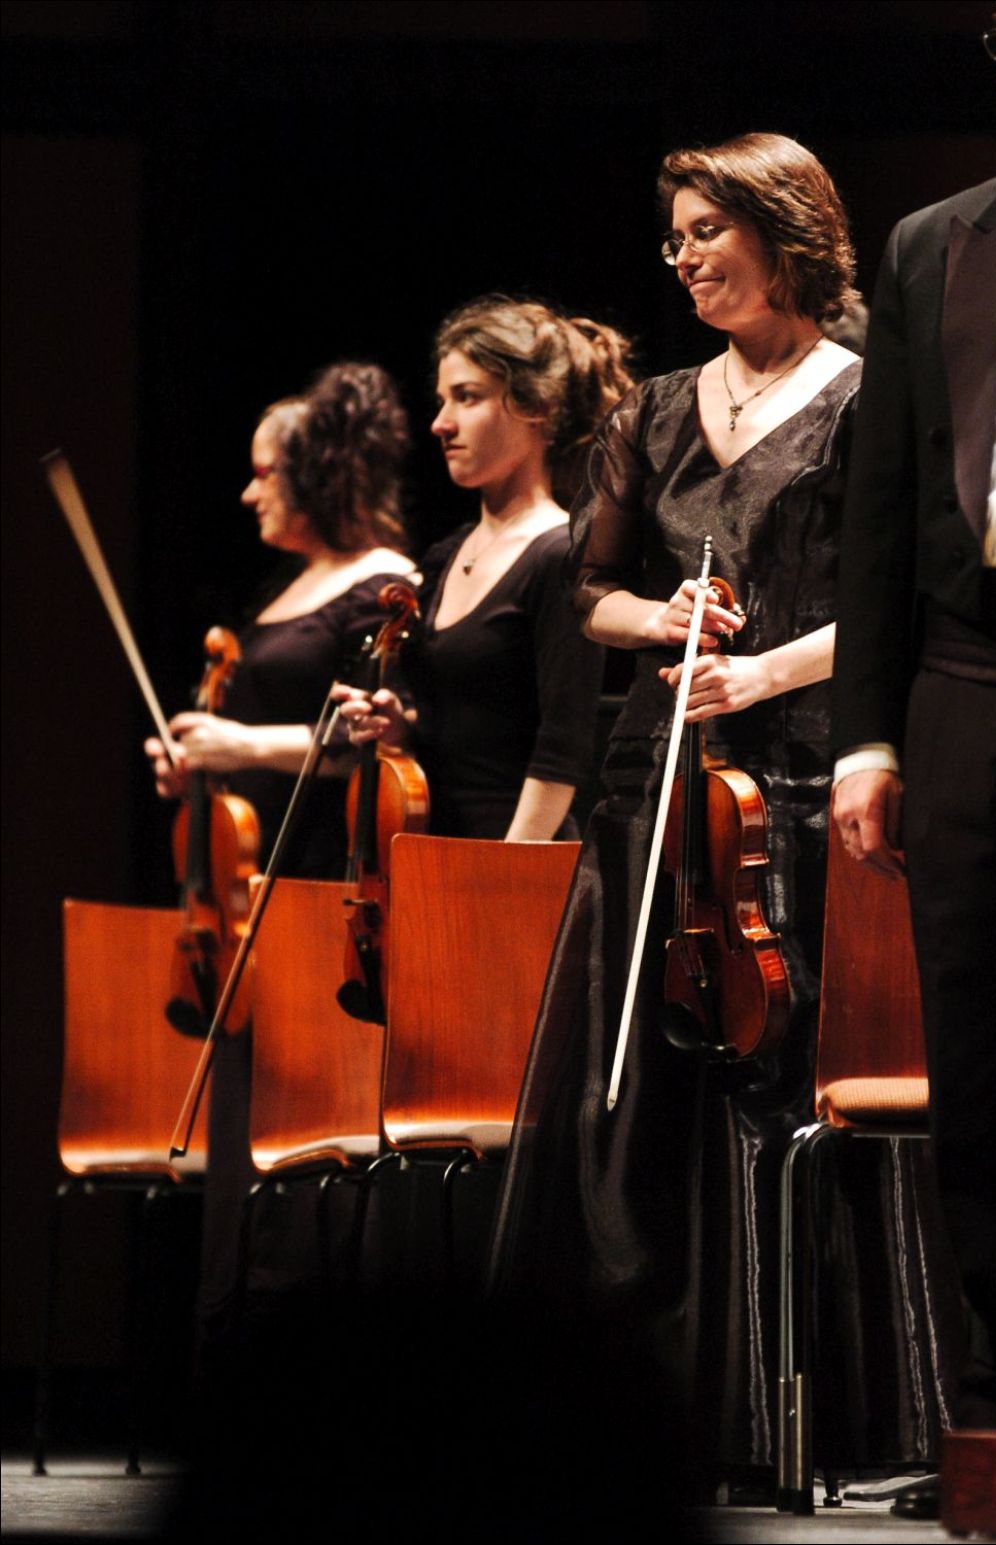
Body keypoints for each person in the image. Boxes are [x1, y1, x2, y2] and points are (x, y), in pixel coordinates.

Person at [487, 133, 952, 1495]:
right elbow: (591, 597)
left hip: (797, 784)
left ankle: (803, 1416)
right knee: (633, 1095)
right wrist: (664, 618)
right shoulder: (653, 411)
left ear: (782, 231)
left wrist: (762, 671)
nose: (684, 257)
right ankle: (636, 1421)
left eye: (707, 230)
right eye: (675, 237)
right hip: (658, 786)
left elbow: (897, 602)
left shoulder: (864, 394)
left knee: (780, 1084)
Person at [832, 0, 996, 1454]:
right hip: (967, 673)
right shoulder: (932, 241)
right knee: (979, 1039)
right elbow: (883, 512)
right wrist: (867, 738)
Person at [145, 360, 414, 1340]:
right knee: (240, 1130)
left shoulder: (382, 584)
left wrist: (237, 744)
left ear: (320, 474)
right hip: (248, 896)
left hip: (318, 886)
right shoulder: (285, 586)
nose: (248, 491)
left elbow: (366, 746)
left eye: (266, 472)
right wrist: (195, 762)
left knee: (303, 1130)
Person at [334, 297, 633, 840]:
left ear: (536, 406)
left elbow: (562, 749)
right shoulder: (447, 556)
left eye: (467, 397)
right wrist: (402, 728)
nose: (440, 424)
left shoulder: (560, 554)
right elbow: (467, 727)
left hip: (514, 858)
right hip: (432, 854)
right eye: (442, 400)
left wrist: (505, 871)